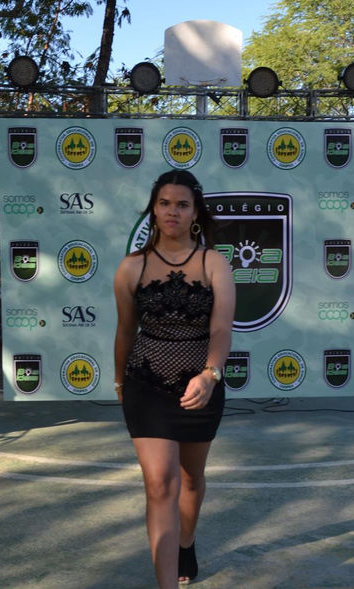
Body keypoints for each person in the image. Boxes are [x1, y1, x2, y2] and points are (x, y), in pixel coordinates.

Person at [113, 170, 235, 588]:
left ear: (195, 212)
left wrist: (210, 374)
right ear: (153, 209)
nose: (172, 212)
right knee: (160, 484)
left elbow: (221, 328)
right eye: (164, 203)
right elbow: (125, 331)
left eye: (182, 205)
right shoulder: (131, 267)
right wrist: (120, 383)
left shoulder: (214, 263)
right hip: (145, 385)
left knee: (190, 478)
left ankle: (186, 542)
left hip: (201, 387)